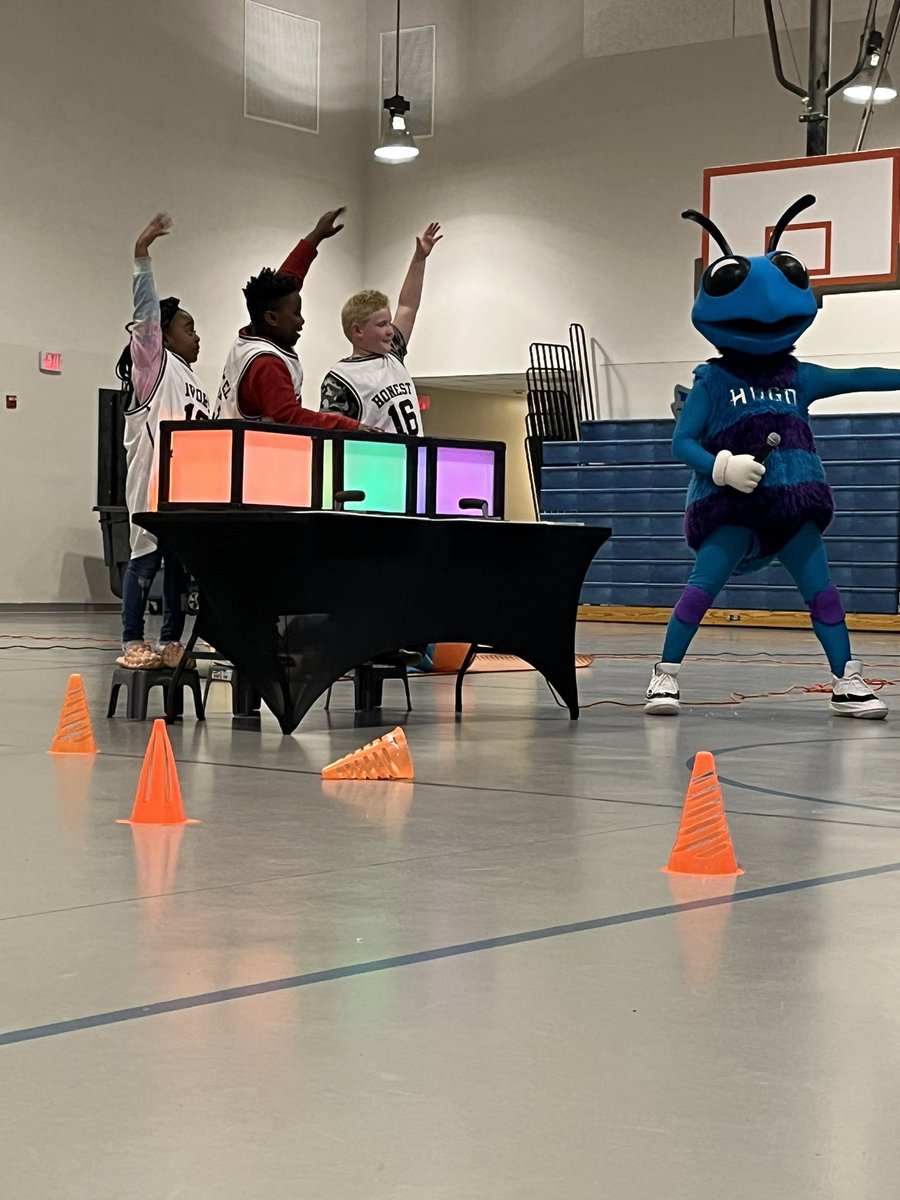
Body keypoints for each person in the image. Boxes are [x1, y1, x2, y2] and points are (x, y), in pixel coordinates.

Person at [645, 195, 900, 720]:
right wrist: (722, 467)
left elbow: (861, 377)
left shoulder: (799, 376)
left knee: (823, 594)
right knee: (700, 591)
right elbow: (681, 443)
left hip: (792, 506)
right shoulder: (712, 380)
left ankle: (846, 680)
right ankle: (664, 675)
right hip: (731, 508)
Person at [116, 213, 212, 670]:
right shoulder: (154, 364)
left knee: (177, 565)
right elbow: (146, 315)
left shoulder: (195, 381)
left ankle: (171, 641)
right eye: (189, 328)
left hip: (187, 487)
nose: (197, 336)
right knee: (145, 559)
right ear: (165, 333)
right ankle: (132, 639)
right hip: (153, 480)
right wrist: (142, 255)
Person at [218, 208, 362, 430]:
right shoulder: (267, 363)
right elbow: (289, 416)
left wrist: (316, 236)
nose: (301, 321)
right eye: (296, 313)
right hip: (246, 450)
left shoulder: (254, 332)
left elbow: (287, 281)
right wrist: (350, 426)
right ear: (272, 318)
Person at [319, 222, 443, 435]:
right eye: (381, 324)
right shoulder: (340, 377)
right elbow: (330, 432)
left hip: (413, 452)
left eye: (389, 322)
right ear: (358, 331)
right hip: (378, 454)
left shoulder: (393, 353)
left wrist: (419, 260)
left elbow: (408, 306)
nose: (390, 331)